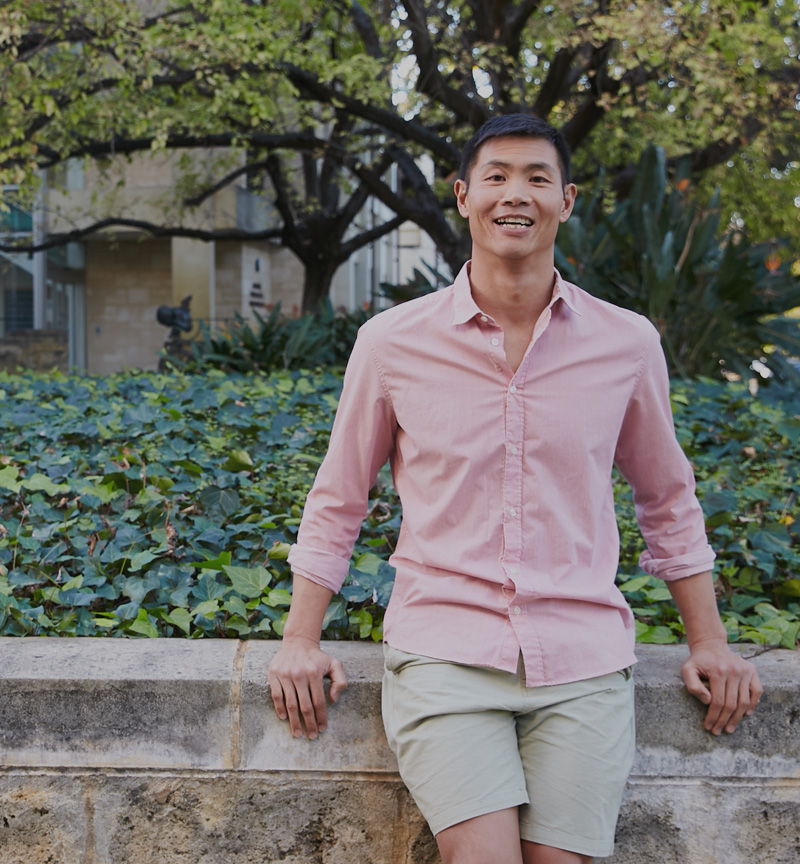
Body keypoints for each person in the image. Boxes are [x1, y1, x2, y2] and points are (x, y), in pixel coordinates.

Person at [267, 114, 763, 864]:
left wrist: (712, 642)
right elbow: (339, 498)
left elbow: (667, 499)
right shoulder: (392, 342)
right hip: (445, 652)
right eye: (496, 176)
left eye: (537, 177)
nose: (515, 194)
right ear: (464, 196)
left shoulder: (626, 343)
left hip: (582, 659)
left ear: (567, 200)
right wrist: (300, 640)